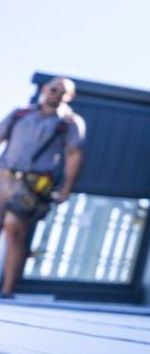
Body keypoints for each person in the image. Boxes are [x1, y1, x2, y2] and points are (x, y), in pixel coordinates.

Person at [0, 78, 86, 295]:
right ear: (44, 89)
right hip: (3, 176)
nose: (56, 94)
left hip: (33, 184)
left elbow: (74, 154)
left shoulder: (70, 123)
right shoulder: (20, 114)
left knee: (14, 231)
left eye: (62, 92)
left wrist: (67, 186)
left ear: (70, 97)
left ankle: (7, 290)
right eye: (53, 89)